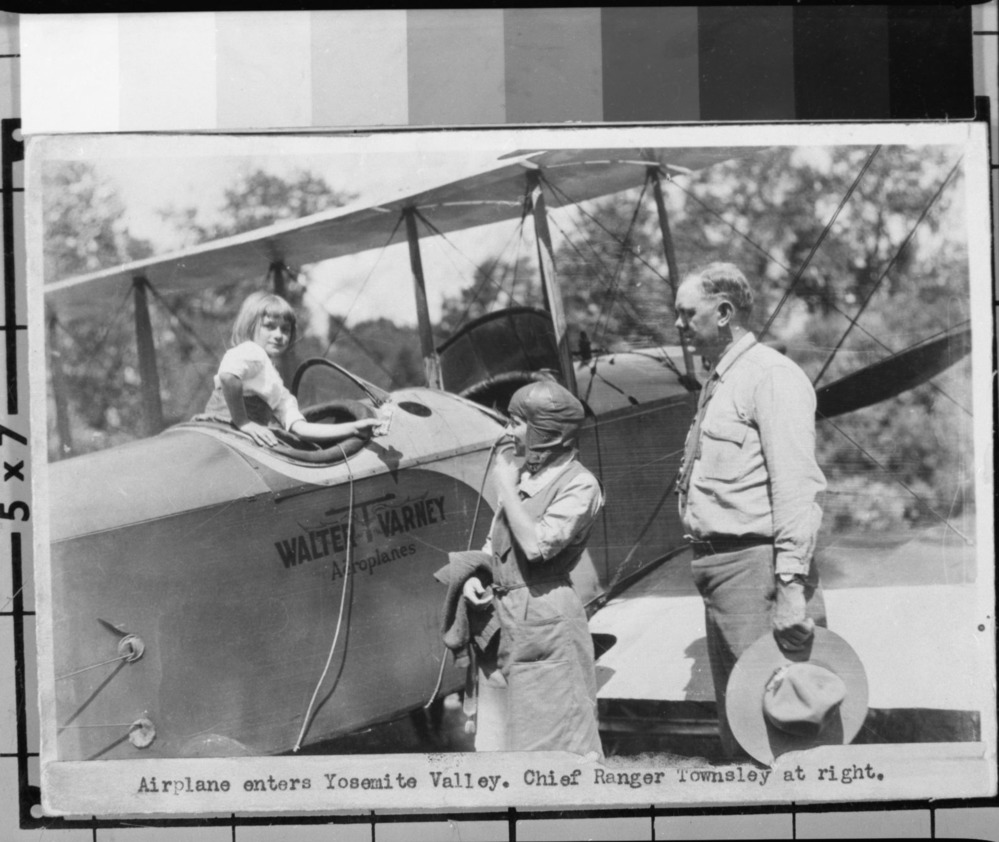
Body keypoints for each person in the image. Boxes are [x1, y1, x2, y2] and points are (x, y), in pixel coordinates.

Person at [673, 262, 828, 758]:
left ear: (723, 313)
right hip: (719, 573)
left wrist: (791, 590)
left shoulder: (771, 376)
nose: (677, 324)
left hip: (756, 571)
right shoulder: (722, 381)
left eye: (686, 313)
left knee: (781, 738)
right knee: (743, 735)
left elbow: (797, 488)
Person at [439, 380, 604, 756]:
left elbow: (535, 546)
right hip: (503, 620)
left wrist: (507, 490)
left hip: (545, 620)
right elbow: (494, 544)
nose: (508, 432)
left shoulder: (580, 484)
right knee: (496, 740)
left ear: (545, 432)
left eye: (516, 423)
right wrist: (477, 576)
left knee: (552, 740)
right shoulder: (524, 477)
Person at [203, 291, 378, 447]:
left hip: (236, 440)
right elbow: (228, 376)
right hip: (223, 431)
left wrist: (353, 428)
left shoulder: (276, 386)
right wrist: (243, 422)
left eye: (285, 329)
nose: (279, 335)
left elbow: (300, 428)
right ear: (250, 326)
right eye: (270, 326)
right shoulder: (252, 351)